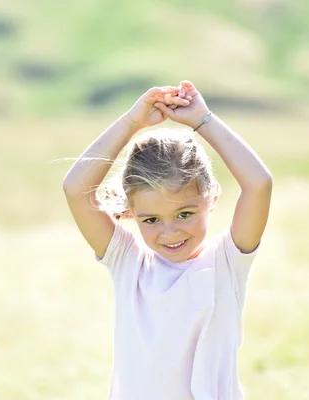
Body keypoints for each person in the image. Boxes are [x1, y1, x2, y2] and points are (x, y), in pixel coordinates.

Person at [63, 80, 273, 400]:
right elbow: (75, 188)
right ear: (131, 212)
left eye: (185, 214)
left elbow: (259, 183)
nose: (170, 232)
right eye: (151, 220)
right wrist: (132, 122)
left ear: (212, 198)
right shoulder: (128, 264)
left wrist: (203, 120)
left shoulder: (228, 263)